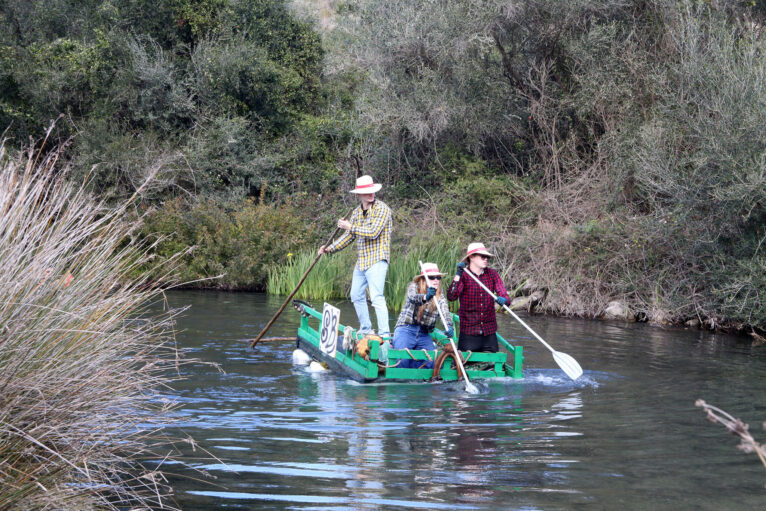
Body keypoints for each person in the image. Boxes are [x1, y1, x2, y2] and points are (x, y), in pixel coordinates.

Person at [318, 175, 392, 338]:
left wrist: (349, 226)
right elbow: (348, 237)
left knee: (376, 296)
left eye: (371, 191)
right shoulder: (357, 213)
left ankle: (385, 335)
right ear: (359, 195)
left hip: (377, 259)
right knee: (356, 295)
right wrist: (329, 248)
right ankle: (366, 329)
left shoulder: (382, 209)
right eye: (366, 192)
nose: (370, 194)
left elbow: (373, 233)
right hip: (363, 261)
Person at [446, 242, 510, 353]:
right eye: (482, 256)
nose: (486, 259)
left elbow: (504, 295)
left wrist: (504, 300)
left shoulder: (492, 274)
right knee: (465, 366)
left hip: (489, 333)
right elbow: (452, 296)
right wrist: (458, 275)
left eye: (487, 257)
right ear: (471, 257)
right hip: (469, 333)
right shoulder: (464, 275)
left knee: (494, 366)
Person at [391, 262, 453, 368]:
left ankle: (417, 378)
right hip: (406, 329)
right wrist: (426, 297)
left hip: (424, 333)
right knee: (402, 360)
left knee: (431, 362)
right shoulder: (413, 287)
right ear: (424, 279)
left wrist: (449, 326)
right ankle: (403, 376)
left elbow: (445, 312)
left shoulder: (440, 296)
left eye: (438, 277)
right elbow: (413, 298)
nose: (436, 280)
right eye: (432, 277)